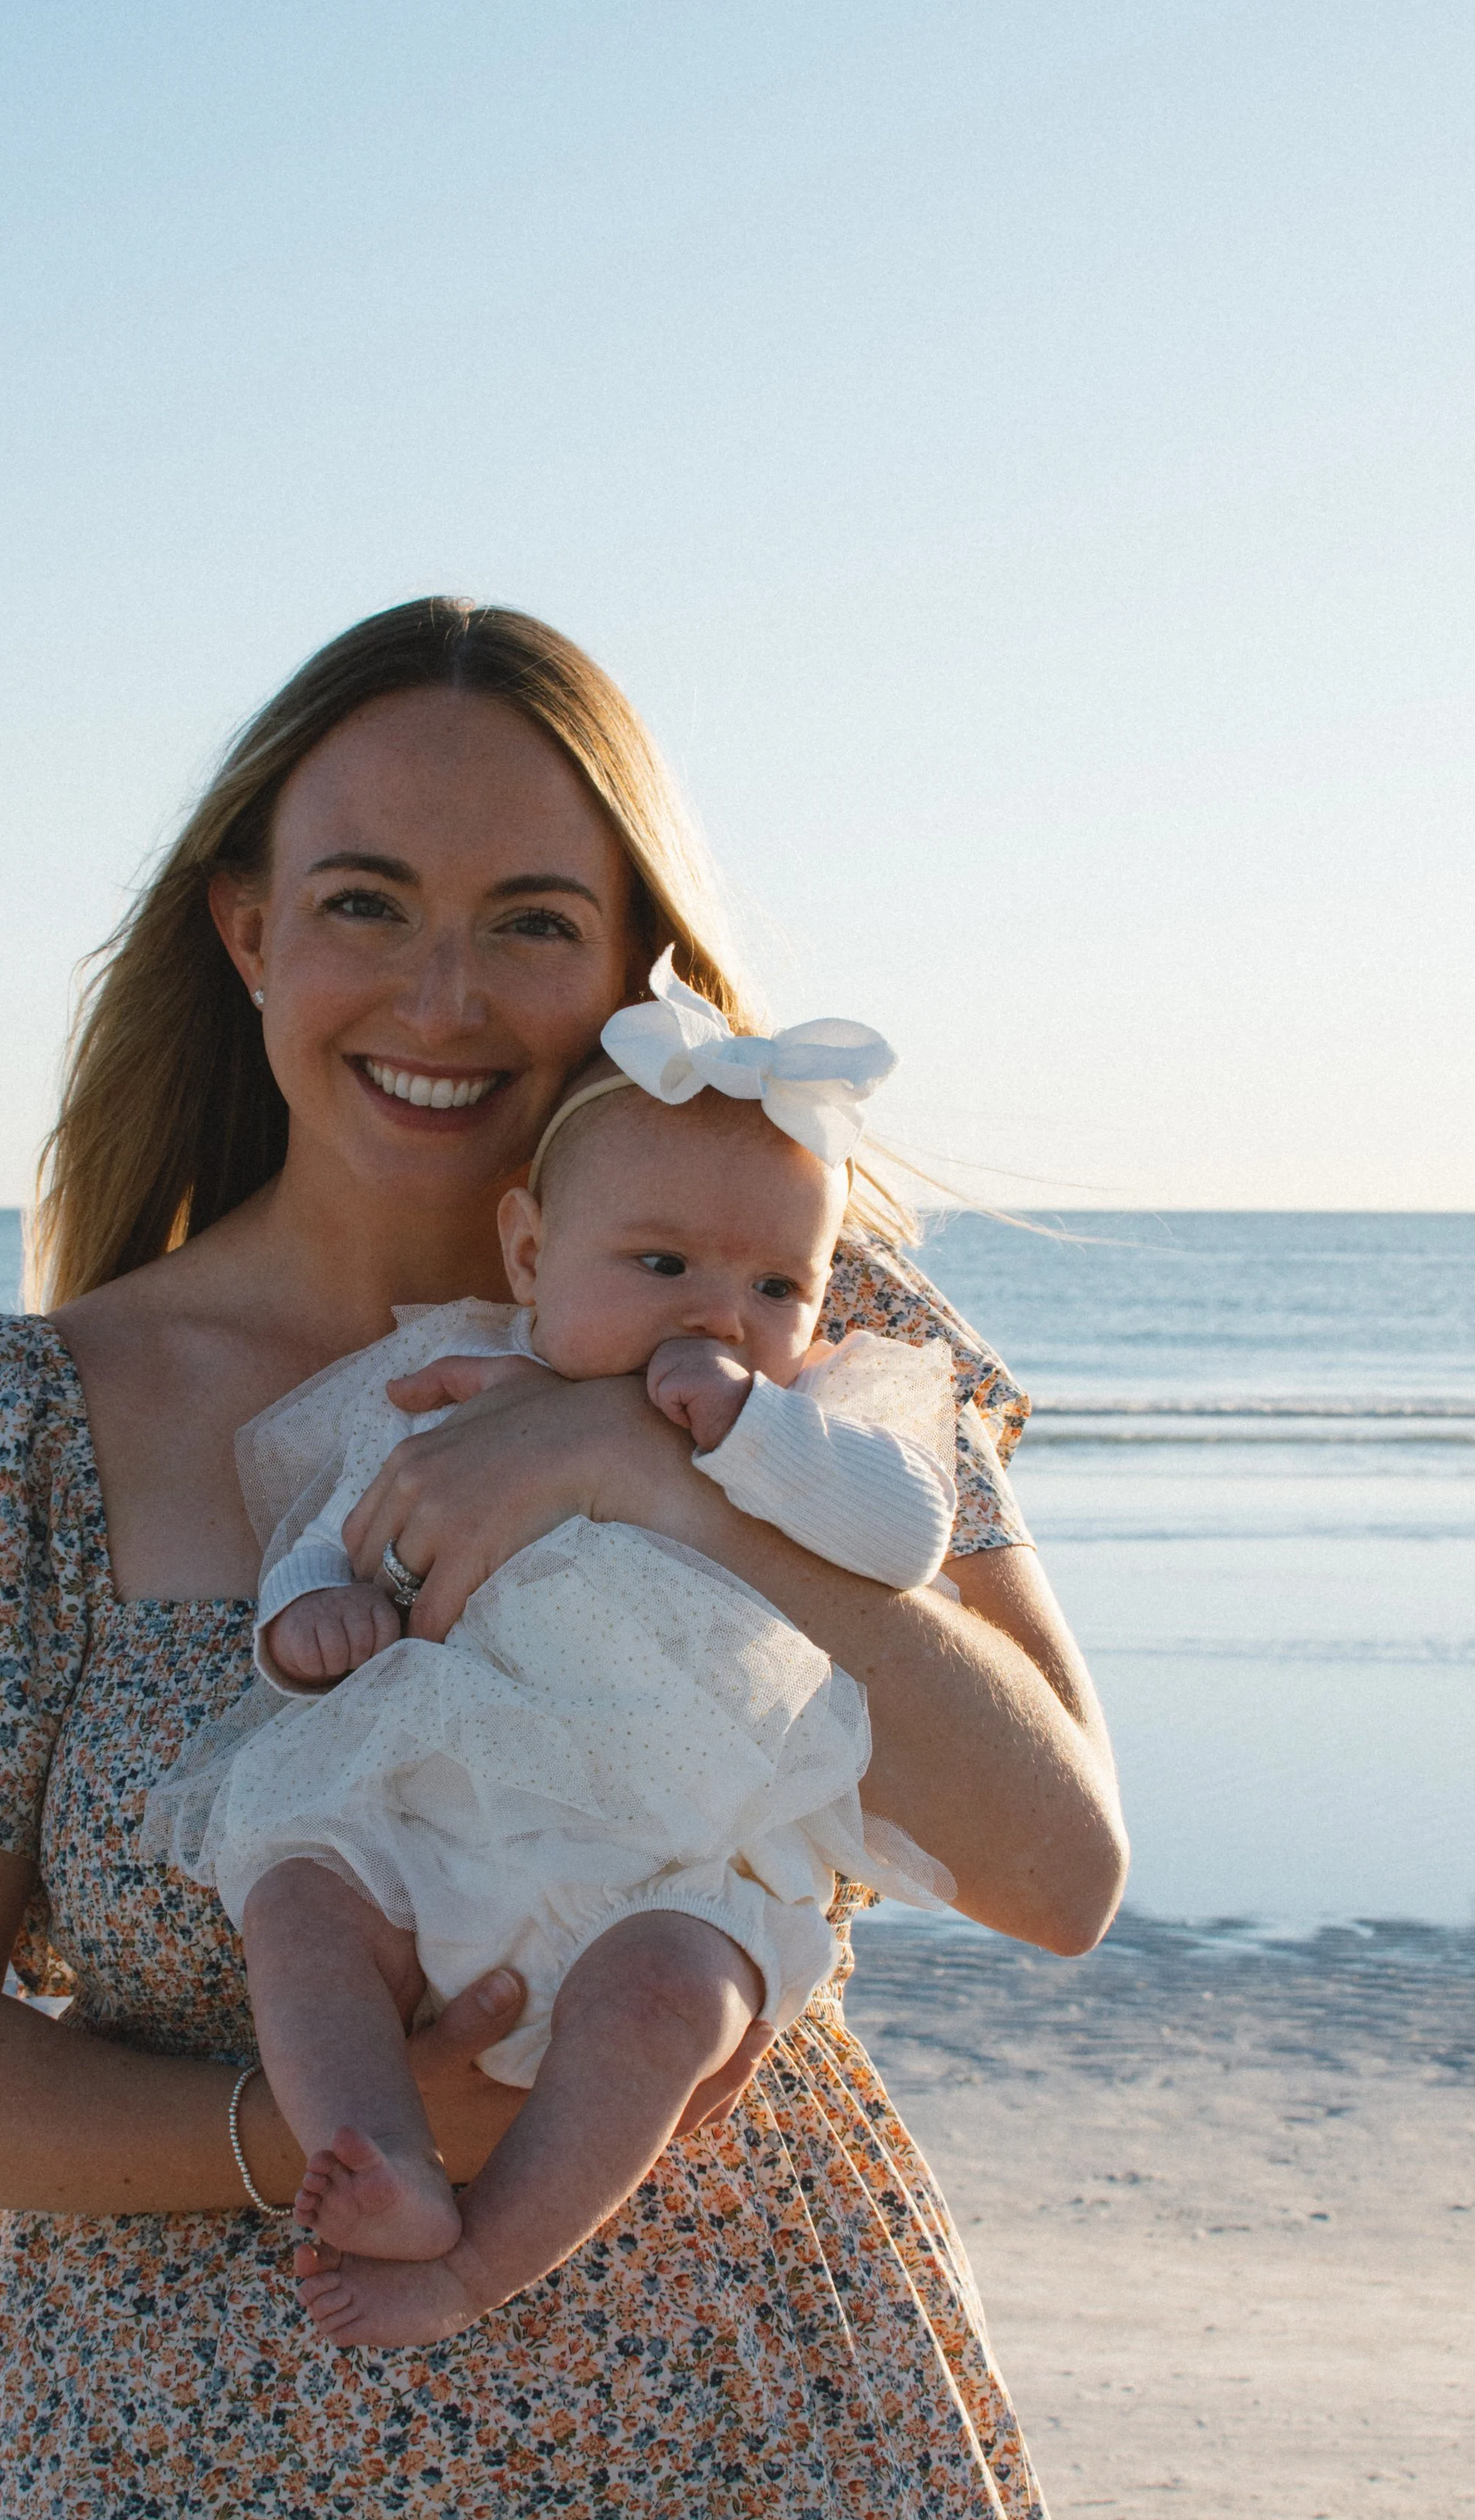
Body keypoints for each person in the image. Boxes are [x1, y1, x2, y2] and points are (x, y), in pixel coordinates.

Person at [0, 597, 1131, 2520]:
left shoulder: (802, 1335)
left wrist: (641, 1472)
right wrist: (290, 2129)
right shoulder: (25, 1426)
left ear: (634, 968)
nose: (442, 994)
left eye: (530, 920)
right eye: (365, 905)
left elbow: (1057, 1867)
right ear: (245, 931)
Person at [159, 967, 964, 2348]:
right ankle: (387, 2155)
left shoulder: (811, 1427)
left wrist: (733, 1444)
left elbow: (907, 1536)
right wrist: (307, 1624)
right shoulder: (451, 1384)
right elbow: (341, 1519)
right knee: (299, 1897)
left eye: (776, 1283)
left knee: (663, 2007)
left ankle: (484, 2263)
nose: (718, 1313)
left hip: (675, 1871)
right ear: (530, 1256)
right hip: (444, 1833)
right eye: (662, 1266)